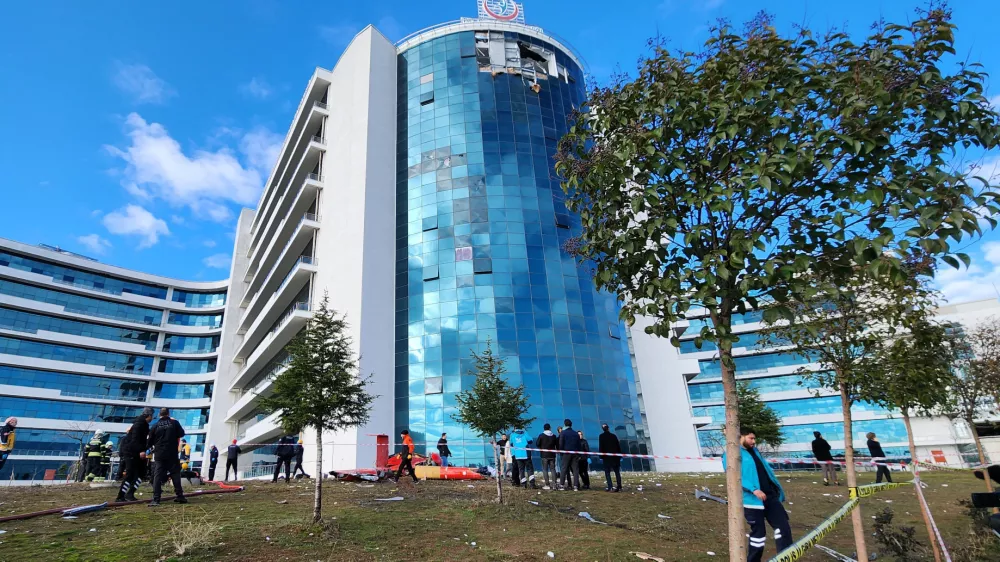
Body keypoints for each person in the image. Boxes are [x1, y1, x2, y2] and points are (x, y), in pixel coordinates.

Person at [724, 427, 793, 562]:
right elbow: (734, 476)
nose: (754, 441)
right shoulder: (730, 454)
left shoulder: (755, 451)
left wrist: (776, 488)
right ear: (740, 437)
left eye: (754, 438)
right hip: (752, 500)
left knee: (783, 527)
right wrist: (754, 489)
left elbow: (766, 471)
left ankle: (785, 557)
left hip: (770, 497)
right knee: (759, 534)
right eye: (751, 438)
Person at [146, 408, 187, 506]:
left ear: (159, 415)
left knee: (157, 475)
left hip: (160, 453)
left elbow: (149, 441)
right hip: (172, 453)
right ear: (168, 414)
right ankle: (180, 496)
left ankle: (156, 499)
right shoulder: (174, 423)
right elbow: (181, 433)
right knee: (175, 474)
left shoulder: (155, 425)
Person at [117, 407, 153, 502]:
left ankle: (130, 493)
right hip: (131, 452)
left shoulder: (144, 425)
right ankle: (120, 496)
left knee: (141, 473)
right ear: (148, 416)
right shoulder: (139, 424)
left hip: (136, 452)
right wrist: (141, 450)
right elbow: (135, 439)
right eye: (151, 416)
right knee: (130, 474)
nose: (152, 419)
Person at [558, 419, 581, 491]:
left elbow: (561, 444)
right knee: (575, 470)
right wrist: (579, 453)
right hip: (575, 453)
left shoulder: (563, 433)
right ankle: (576, 486)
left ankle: (561, 485)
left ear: (565, 425)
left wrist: (561, 452)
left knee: (564, 469)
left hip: (566, 453)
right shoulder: (576, 433)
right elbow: (579, 444)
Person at [598, 424, 622, 492]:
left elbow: (601, 446)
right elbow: (618, 446)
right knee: (617, 472)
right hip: (615, 457)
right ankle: (619, 486)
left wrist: (601, 456)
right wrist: (620, 455)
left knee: (607, 472)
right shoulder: (613, 436)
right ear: (608, 428)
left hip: (607, 457)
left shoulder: (601, 436)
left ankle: (610, 486)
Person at [536, 424, 559, 490]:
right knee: (553, 469)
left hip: (544, 455)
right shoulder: (554, 436)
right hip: (552, 455)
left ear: (544, 428)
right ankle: (555, 484)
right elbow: (557, 445)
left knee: (545, 470)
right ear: (550, 428)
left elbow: (537, 444)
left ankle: (547, 484)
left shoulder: (541, 435)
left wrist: (541, 447)